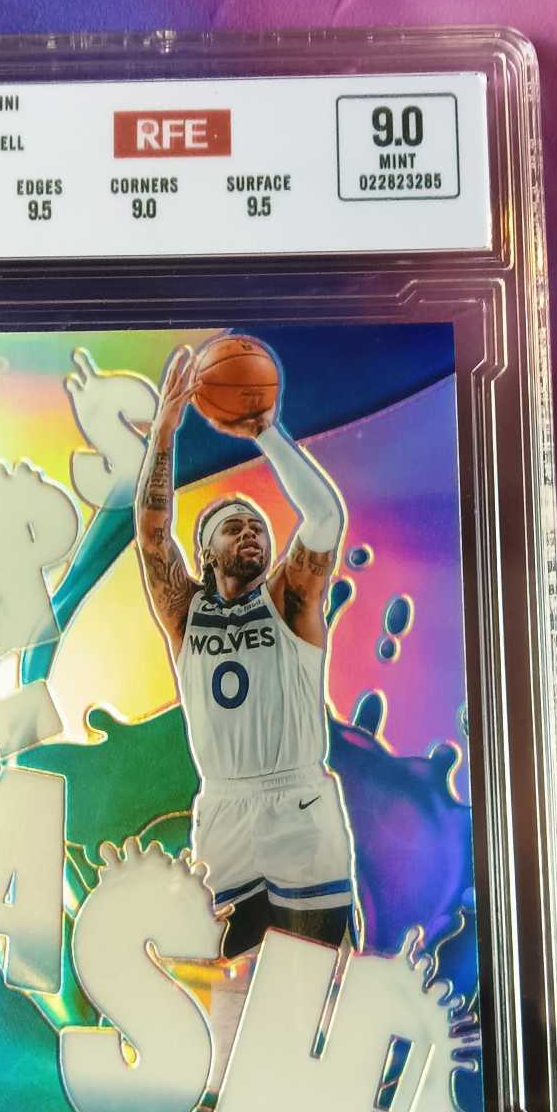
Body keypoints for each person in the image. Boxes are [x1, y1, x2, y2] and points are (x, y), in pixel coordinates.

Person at [134, 341, 358, 960]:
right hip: (223, 806)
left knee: (316, 978)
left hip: (299, 801)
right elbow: (152, 536)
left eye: (258, 526)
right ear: (206, 551)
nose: (252, 532)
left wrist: (267, 433)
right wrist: (163, 434)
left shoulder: (289, 601)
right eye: (234, 527)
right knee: (228, 980)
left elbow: (323, 518)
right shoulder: (185, 612)